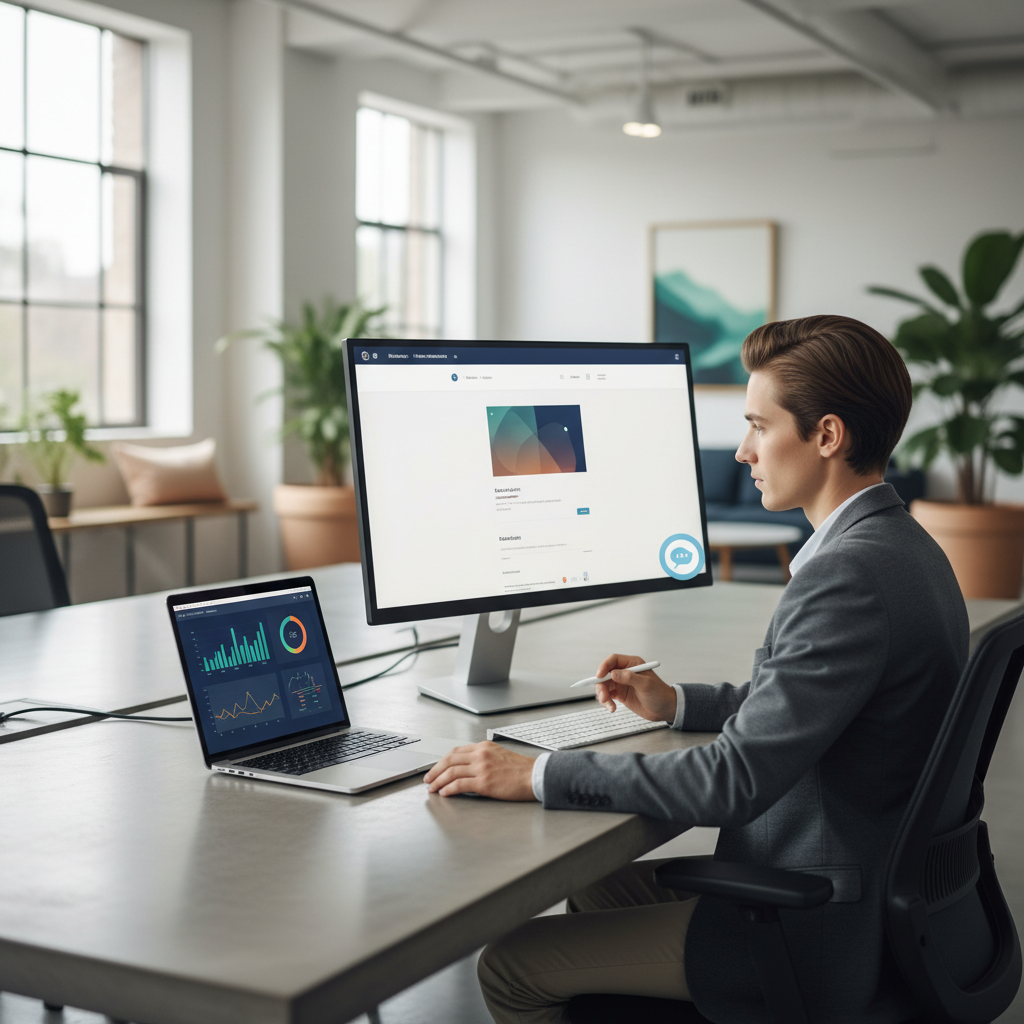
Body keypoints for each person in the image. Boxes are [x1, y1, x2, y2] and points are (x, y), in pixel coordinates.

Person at [424, 314, 969, 1024]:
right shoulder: (904, 548)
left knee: (509, 966)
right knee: (598, 889)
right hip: (870, 885)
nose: (743, 450)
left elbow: (732, 782)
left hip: (818, 918)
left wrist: (533, 774)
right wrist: (678, 702)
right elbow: (812, 701)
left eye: (757, 425)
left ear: (826, 436)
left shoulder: (848, 577)